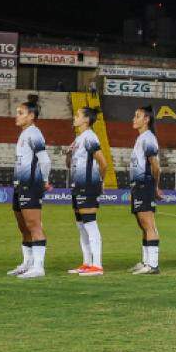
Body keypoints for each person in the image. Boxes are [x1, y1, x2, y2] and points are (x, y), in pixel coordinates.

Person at [10, 95, 51, 279]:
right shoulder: (24, 133)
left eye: (21, 113)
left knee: (34, 225)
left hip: (31, 184)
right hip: (20, 185)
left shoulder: (34, 133)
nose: (16, 116)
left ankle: (38, 266)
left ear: (31, 116)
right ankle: (27, 263)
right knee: (23, 227)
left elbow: (45, 160)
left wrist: (45, 180)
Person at [67, 106, 108, 276]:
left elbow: (103, 163)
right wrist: (68, 154)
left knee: (90, 224)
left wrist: (100, 181)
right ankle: (86, 262)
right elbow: (70, 164)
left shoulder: (90, 137)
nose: (74, 117)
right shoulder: (79, 139)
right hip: (77, 185)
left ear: (86, 119)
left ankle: (97, 265)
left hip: (88, 185)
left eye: (77, 115)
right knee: (81, 225)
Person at [128, 106, 163, 275]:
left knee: (149, 225)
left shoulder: (148, 138)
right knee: (143, 225)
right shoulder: (141, 138)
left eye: (137, 116)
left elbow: (155, 166)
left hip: (145, 185)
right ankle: (145, 262)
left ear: (146, 119)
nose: (134, 119)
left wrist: (155, 186)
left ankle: (153, 264)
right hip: (138, 186)